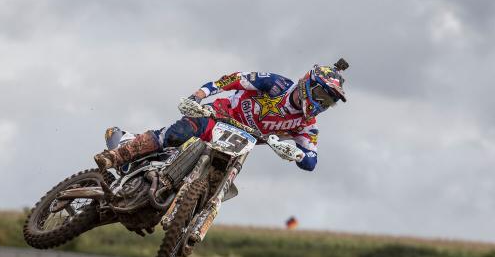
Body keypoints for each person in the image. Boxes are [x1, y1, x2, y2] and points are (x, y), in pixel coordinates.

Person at [94, 60, 350, 175]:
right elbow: (231, 79)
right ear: (308, 83)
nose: (320, 104)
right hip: (220, 116)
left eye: (328, 102)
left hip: (240, 145)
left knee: (219, 174)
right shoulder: (276, 84)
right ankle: (118, 155)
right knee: (181, 132)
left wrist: (296, 155)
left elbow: (312, 161)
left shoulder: (307, 126)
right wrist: (197, 96)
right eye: (321, 95)